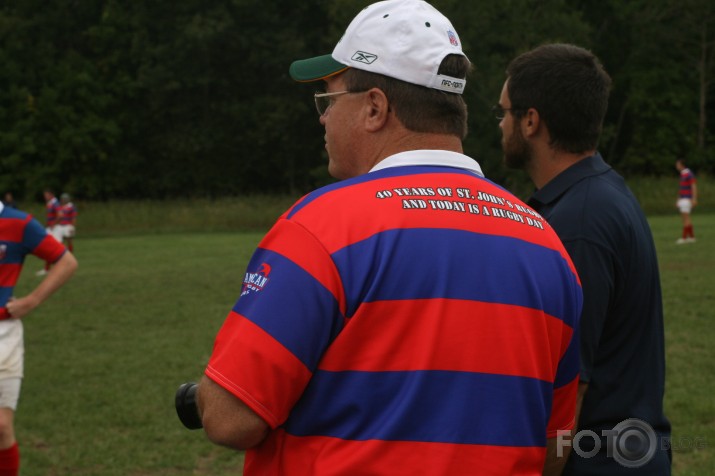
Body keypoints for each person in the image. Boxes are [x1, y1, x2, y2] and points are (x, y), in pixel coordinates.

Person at [191, 2, 583, 474]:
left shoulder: (322, 226)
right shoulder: (546, 244)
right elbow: (557, 444)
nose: (323, 119)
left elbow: (231, 418)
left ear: (375, 107)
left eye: (329, 101)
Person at [498, 43, 671, 474]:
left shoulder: (579, 222)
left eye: (504, 113)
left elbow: (570, 388)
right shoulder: (595, 194)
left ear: (531, 121)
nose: (500, 125)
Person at [0, 201, 78, 475]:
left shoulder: (18, 223)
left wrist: (31, 301)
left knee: (2, 426)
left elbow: (66, 262)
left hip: (4, 335)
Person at [36, 189, 63, 276]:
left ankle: (55, 268)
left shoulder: (55, 203)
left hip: (55, 228)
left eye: (46, 195)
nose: (45, 197)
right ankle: (48, 268)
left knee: (53, 247)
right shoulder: (51, 203)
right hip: (51, 228)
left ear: (51, 194)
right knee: (49, 247)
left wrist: (54, 224)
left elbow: (60, 214)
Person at [675, 158, 697, 244]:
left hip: (687, 198)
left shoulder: (688, 174)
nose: (676, 166)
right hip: (683, 198)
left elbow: (693, 186)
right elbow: (682, 188)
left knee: (686, 218)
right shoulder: (682, 174)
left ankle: (684, 238)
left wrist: (694, 198)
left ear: (681, 165)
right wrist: (678, 199)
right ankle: (691, 237)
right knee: (685, 218)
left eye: (677, 164)